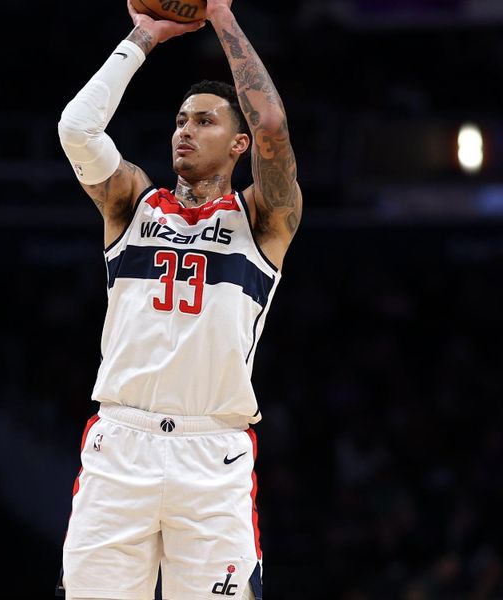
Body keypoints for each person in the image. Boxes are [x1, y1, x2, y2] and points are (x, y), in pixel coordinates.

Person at [55, 0, 302, 598]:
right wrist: (144, 36)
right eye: (180, 120)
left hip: (211, 455)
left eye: (204, 121)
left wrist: (220, 15)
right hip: (120, 446)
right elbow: (76, 129)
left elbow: (272, 125)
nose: (185, 130)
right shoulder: (132, 203)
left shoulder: (262, 219)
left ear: (238, 144)